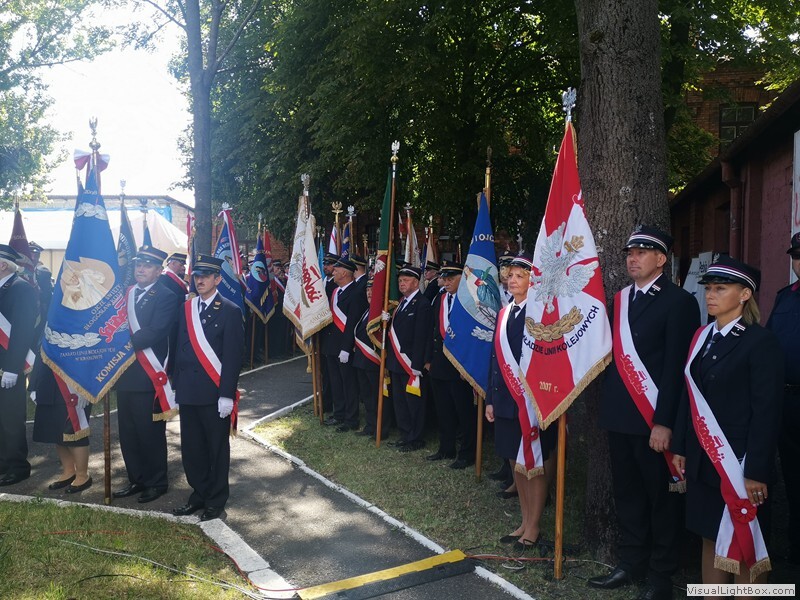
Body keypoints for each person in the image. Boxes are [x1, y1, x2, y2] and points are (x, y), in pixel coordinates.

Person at [590, 226, 699, 600]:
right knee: (628, 495)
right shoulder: (619, 301)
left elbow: (676, 369)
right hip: (620, 416)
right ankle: (630, 562)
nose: (632, 258)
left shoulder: (679, 302)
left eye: (641, 252)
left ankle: (661, 576)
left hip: (654, 421)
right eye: (630, 253)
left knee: (662, 501)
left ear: (661, 259)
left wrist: (664, 422)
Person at [671, 256, 783, 590]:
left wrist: (756, 471)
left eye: (720, 288)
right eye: (708, 288)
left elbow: (767, 412)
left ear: (745, 294)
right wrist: (681, 446)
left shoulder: (760, 342)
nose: (710, 295)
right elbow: (688, 395)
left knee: (746, 544)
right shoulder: (701, 337)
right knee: (710, 536)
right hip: (704, 459)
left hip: (739, 463)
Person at [485, 252, 555, 549]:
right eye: (510, 275)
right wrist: (490, 399)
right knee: (517, 465)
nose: (512, 280)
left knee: (532, 465)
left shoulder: (541, 314)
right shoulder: (504, 313)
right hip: (504, 399)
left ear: (532, 280)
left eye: (519, 276)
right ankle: (524, 521)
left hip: (530, 403)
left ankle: (534, 526)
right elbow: (494, 359)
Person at [171, 255, 244, 521]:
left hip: (213, 393)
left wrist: (226, 395)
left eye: (205, 276)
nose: (199, 280)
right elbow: (178, 348)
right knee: (192, 449)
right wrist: (175, 384)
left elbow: (233, 358)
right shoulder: (186, 309)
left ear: (217, 279)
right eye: (196, 276)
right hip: (188, 392)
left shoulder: (230, 311)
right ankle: (199, 494)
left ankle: (215, 500)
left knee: (216, 450)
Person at [113, 246, 181, 504]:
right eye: (138, 264)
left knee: (149, 432)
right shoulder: (127, 292)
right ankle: (137, 479)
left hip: (148, 375)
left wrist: (118, 345)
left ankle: (156, 482)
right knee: (128, 432)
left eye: (147, 265)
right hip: (125, 374)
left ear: (158, 270)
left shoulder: (166, 295)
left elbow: (155, 331)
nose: (140, 269)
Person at [766, 233, 800, 565]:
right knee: (792, 477)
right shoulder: (784, 297)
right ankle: (795, 546)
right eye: (797, 256)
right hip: (786, 402)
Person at [425, 260, 476, 469]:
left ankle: (467, 453)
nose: (446, 282)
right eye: (444, 279)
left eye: (451, 279)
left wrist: (468, 367)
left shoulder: (469, 301)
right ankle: (446, 448)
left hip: (459, 367)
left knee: (464, 412)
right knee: (443, 410)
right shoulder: (440, 299)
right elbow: (431, 329)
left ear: (462, 279)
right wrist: (427, 360)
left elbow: (473, 337)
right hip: (438, 364)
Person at [384, 264, 432, 452]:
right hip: (396, 362)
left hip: (411, 363)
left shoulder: (422, 304)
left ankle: (415, 438)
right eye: (400, 280)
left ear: (416, 282)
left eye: (406, 280)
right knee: (400, 402)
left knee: (414, 403)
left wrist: (418, 364)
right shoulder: (401, 303)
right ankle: (405, 435)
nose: (401, 283)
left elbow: (422, 336)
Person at [0, 244, 37, 486]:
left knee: (11, 418)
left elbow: (23, 331)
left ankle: (17, 466)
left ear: (3, 265)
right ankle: (3, 463)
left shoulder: (21, 288)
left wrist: (13, 368)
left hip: (8, 367)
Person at [30, 360, 93, 493]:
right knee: (56, 431)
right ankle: (69, 471)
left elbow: (89, 358)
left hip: (74, 385)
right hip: (47, 382)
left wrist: (88, 387)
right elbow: (40, 356)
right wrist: (33, 385)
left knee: (74, 433)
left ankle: (82, 475)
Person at [324, 257, 368, 432]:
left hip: (345, 347)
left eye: (336, 270)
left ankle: (351, 419)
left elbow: (352, 324)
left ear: (344, 273)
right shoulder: (336, 292)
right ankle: (339, 414)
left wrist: (346, 348)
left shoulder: (356, 293)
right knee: (336, 382)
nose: (333, 272)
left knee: (348, 384)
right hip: (331, 345)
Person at [353, 279, 391, 439]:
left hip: (374, 362)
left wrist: (386, 321)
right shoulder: (367, 311)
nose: (369, 293)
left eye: (372, 290)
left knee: (379, 397)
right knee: (367, 396)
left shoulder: (383, 313)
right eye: (367, 290)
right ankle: (370, 425)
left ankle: (382, 429)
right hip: (362, 361)